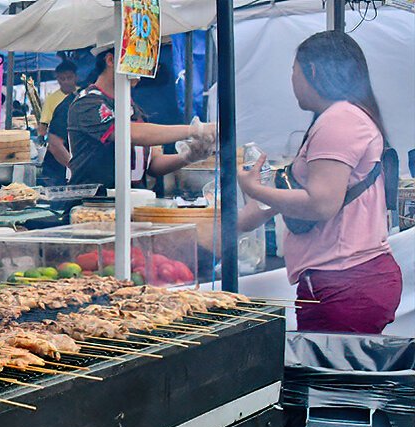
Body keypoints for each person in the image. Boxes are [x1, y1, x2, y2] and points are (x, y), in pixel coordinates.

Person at [236, 31, 401, 334]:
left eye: (293, 71)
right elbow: (300, 195)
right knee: (339, 376)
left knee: (334, 379)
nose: (292, 81)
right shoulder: (347, 115)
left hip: (346, 283)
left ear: (311, 70)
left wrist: (254, 189)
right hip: (345, 281)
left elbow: (321, 204)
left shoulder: (340, 119)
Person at [66, 47, 215, 191]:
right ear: (110, 60)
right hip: (91, 207)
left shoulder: (132, 107)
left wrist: (187, 157)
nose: (141, 72)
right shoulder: (87, 103)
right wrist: (194, 130)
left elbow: (153, 163)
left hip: (135, 203)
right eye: (136, 61)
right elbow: (129, 133)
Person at [36, 61, 79, 186]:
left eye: (69, 77)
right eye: (62, 78)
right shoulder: (51, 99)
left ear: (76, 77)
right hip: (56, 154)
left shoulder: (82, 96)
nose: (66, 81)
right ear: (57, 78)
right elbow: (43, 125)